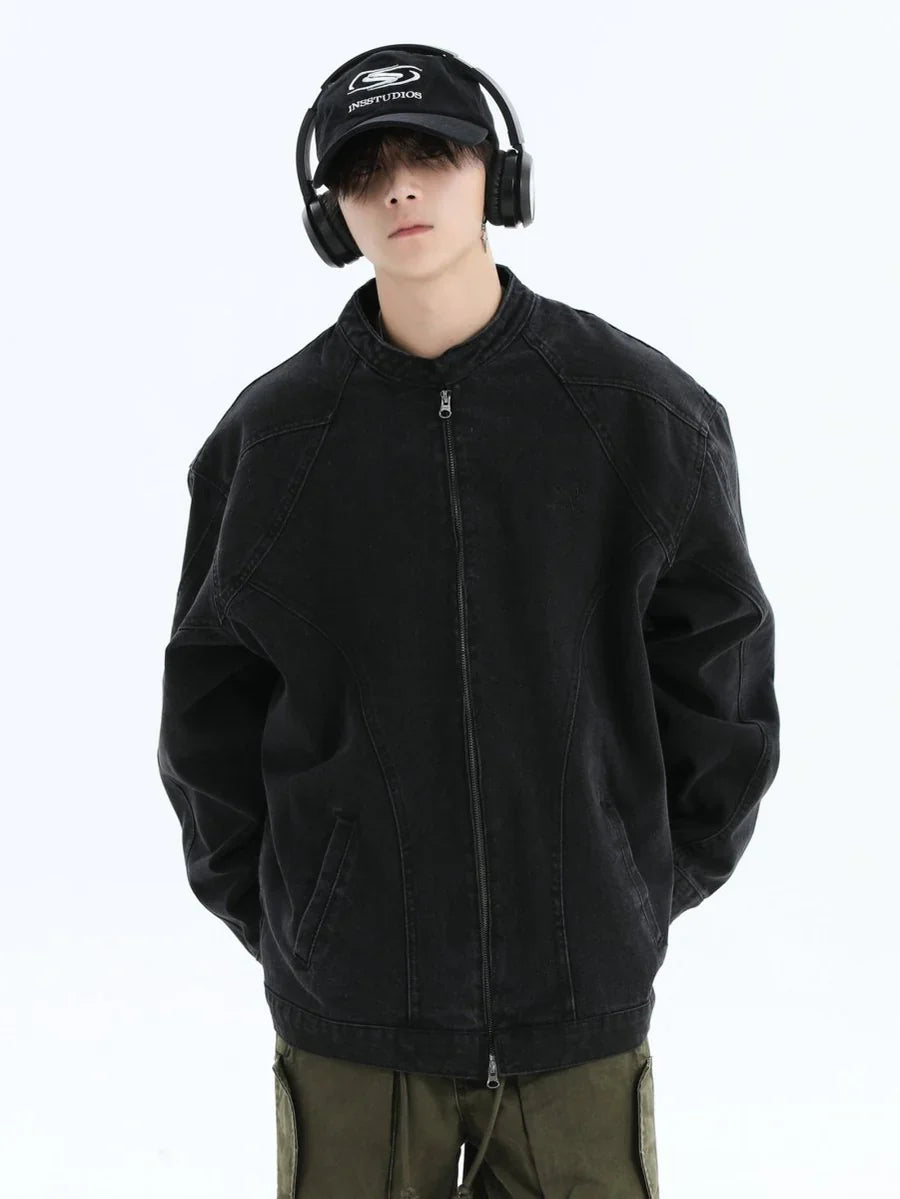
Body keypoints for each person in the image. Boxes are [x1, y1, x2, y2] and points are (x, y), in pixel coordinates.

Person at [156, 45, 780, 1199]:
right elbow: (207, 719)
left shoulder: (639, 414)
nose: (400, 187)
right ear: (330, 210)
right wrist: (305, 918)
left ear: (498, 172)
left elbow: (722, 682)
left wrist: (628, 888)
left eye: (432, 154)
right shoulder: (270, 444)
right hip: (349, 1019)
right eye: (364, 168)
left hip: (577, 1011)